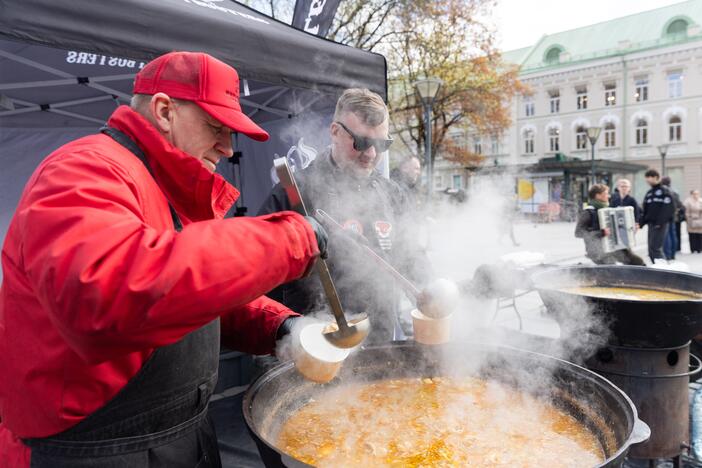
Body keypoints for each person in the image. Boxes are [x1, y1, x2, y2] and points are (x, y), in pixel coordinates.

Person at [0, 51, 328, 468]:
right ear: (164, 111)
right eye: (216, 127)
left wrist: (281, 326)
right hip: (92, 452)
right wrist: (287, 240)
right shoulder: (83, 169)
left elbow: (189, 294)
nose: (228, 148)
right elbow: (110, 293)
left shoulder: (161, 185)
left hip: (176, 435)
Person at [258, 88, 431, 343]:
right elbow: (261, 276)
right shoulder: (294, 192)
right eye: (360, 142)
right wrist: (286, 329)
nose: (371, 154)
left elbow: (410, 256)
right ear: (335, 132)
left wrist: (430, 284)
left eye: (381, 144)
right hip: (316, 342)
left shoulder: (393, 195)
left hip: (379, 341)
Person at [575, 184, 645, 266]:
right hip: (598, 250)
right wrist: (601, 233)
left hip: (615, 247)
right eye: (606, 193)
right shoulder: (588, 212)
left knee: (637, 262)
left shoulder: (609, 209)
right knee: (611, 267)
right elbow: (578, 232)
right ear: (598, 195)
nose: (608, 196)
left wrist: (631, 227)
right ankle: (584, 272)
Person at [640, 169, 675, 263]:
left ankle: (664, 270)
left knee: (656, 248)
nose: (647, 181)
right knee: (651, 249)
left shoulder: (665, 191)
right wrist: (640, 223)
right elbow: (646, 210)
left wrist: (660, 222)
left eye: (648, 179)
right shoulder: (649, 193)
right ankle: (657, 268)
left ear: (655, 177)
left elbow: (668, 208)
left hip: (660, 224)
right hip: (651, 224)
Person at [660, 176, 683, 260]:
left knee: (666, 236)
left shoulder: (664, 190)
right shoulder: (675, 191)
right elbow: (679, 204)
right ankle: (673, 254)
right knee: (673, 235)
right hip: (673, 215)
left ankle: (668, 254)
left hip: (666, 216)